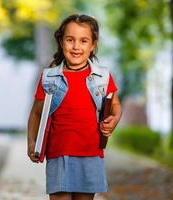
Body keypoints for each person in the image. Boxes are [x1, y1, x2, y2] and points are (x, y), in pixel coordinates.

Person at [27, 14, 122, 200]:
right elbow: (36, 114)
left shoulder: (102, 77)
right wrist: (32, 142)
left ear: (93, 45)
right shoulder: (49, 77)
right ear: (61, 42)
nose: (76, 46)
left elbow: (115, 105)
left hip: (91, 154)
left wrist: (115, 118)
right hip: (58, 153)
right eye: (70, 40)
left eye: (83, 41)